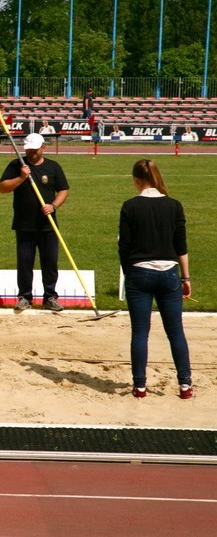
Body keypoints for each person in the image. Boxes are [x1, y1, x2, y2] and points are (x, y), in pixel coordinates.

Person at [119, 159, 193, 399]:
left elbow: (124, 247)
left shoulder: (130, 206)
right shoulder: (174, 205)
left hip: (139, 272)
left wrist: (129, 273)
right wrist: (186, 277)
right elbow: (181, 246)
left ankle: (140, 386)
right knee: (175, 331)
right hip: (169, 272)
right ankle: (185, 385)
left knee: (140, 332)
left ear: (136, 180)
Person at [0, 133, 69, 312]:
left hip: (48, 225)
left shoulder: (53, 167)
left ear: (43, 147)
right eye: (29, 149)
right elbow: (2, 188)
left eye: (35, 149)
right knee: (24, 263)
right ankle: (24, 297)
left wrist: (53, 206)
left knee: (50, 262)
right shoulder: (17, 165)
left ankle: (50, 297)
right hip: (24, 224)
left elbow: (63, 190)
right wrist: (21, 178)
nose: (31, 153)